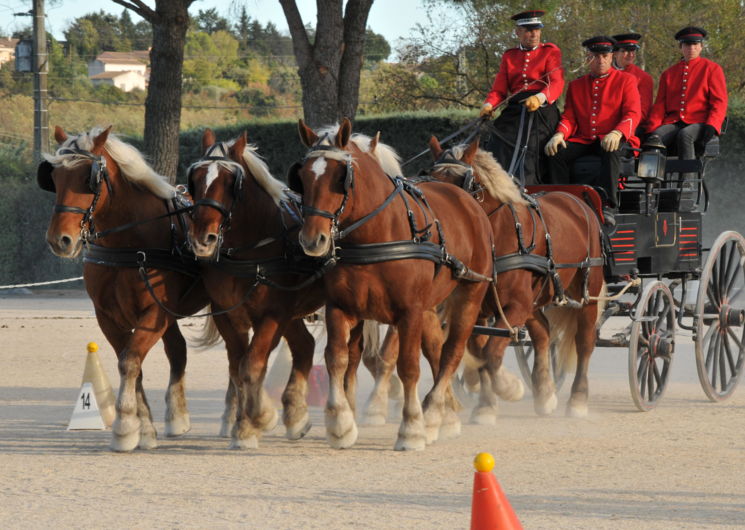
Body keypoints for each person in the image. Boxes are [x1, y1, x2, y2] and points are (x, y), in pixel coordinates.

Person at [544, 36, 641, 226]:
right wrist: (560, 134)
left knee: (611, 150)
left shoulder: (626, 80)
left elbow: (633, 113)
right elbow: (570, 117)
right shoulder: (576, 85)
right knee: (556, 153)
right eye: (596, 56)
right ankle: (562, 201)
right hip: (585, 139)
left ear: (612, 56)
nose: (601, 60)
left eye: (605, 55)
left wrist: (618, 132)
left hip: (613, 138)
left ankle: (607, 205)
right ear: (588, 57)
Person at [479, 9, 564, 186]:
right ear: (518, 32)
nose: (533, 34)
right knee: (495, 141)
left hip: (541, 110)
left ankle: (530, 186)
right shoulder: (509, 56)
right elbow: (499, 90)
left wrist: (540, 97)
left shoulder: (550, 51)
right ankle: (495, 184)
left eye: (536, 29)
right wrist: (489, 105)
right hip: (516, 109)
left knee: (530, 147)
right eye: (528, 30)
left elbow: (556, 83)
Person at [646, 26, 727, 179]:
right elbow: (660, 105)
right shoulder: (668, 74)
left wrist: (712, 125)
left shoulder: (712, 69)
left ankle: (686, 186)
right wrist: (651, 128)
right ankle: (655, 183)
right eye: (687, 44)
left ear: (701, 46)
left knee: (685, 135)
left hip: (700, 121)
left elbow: (719, 102)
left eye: (695, 44)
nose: (691, 48)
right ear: (681, 47)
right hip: (674, 121)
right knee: (655, 138)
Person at [612, 32, 654, 133]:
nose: (631, 55)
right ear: (615, 53)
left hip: (632, 126)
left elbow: (643, 112)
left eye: (633, 51)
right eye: (626, 51)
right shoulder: (604, 73)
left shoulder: (643, 78)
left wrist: (621, 128)